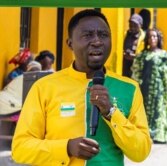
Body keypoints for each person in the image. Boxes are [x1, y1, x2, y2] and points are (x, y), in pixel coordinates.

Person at [12, 9, 151, 166]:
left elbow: (141, 152)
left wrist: (111, 112)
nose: (97, 41)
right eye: (88, 35)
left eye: (104, 35)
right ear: (70, 43)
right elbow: (20, 149)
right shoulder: (44, 87)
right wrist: (66, 148)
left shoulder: (128, 89)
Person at [131, 28, 167, 144]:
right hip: (145, 88)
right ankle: (146, 135)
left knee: (159, 111)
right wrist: (137, 82)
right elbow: (136, 70)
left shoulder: (164, 55)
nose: (152, 39)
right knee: (145, 111)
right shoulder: (143, 55)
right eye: (150, 37)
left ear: (158, 38)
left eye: (154, 36)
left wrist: (165, 75)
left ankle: (160, 136)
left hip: (159, 89)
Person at [123, 13, 145, 77]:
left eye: (135, 26)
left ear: (140, 25)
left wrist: (134, 57)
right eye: (130, 25)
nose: (132, 28)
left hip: (137, 69)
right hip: (124, 67)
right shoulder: (125, 35)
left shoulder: (144, 38)